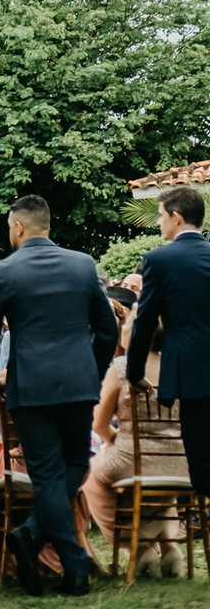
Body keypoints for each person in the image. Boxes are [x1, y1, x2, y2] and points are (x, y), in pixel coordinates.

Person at [0, 194, 116, 598]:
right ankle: (55, 553)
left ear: (18, 227)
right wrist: (92, 369)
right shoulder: (83, 264)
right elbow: (106, 329)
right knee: (76, 466)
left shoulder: (3, 271)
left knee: (51, 474)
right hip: (77, 384)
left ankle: (41, 542)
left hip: (30, 388)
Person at [126, 183, 210, 504]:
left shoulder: (160, 260)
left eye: (160, 216)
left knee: (202, 471)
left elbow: (145, 323)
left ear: (176, 217)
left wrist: (134, 373)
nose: (158, 223)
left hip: (193, 380)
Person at [86, 311, 184, 574]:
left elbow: (99, 424)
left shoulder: (121, 367)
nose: (122, 326)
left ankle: (139, 547)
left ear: (137, 332)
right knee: (161, 484)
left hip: (132, 460)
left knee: (90, 479)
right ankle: (169, 547)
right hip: (180, 462)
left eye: (128, 322)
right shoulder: (178, 363)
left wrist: (114, 440)